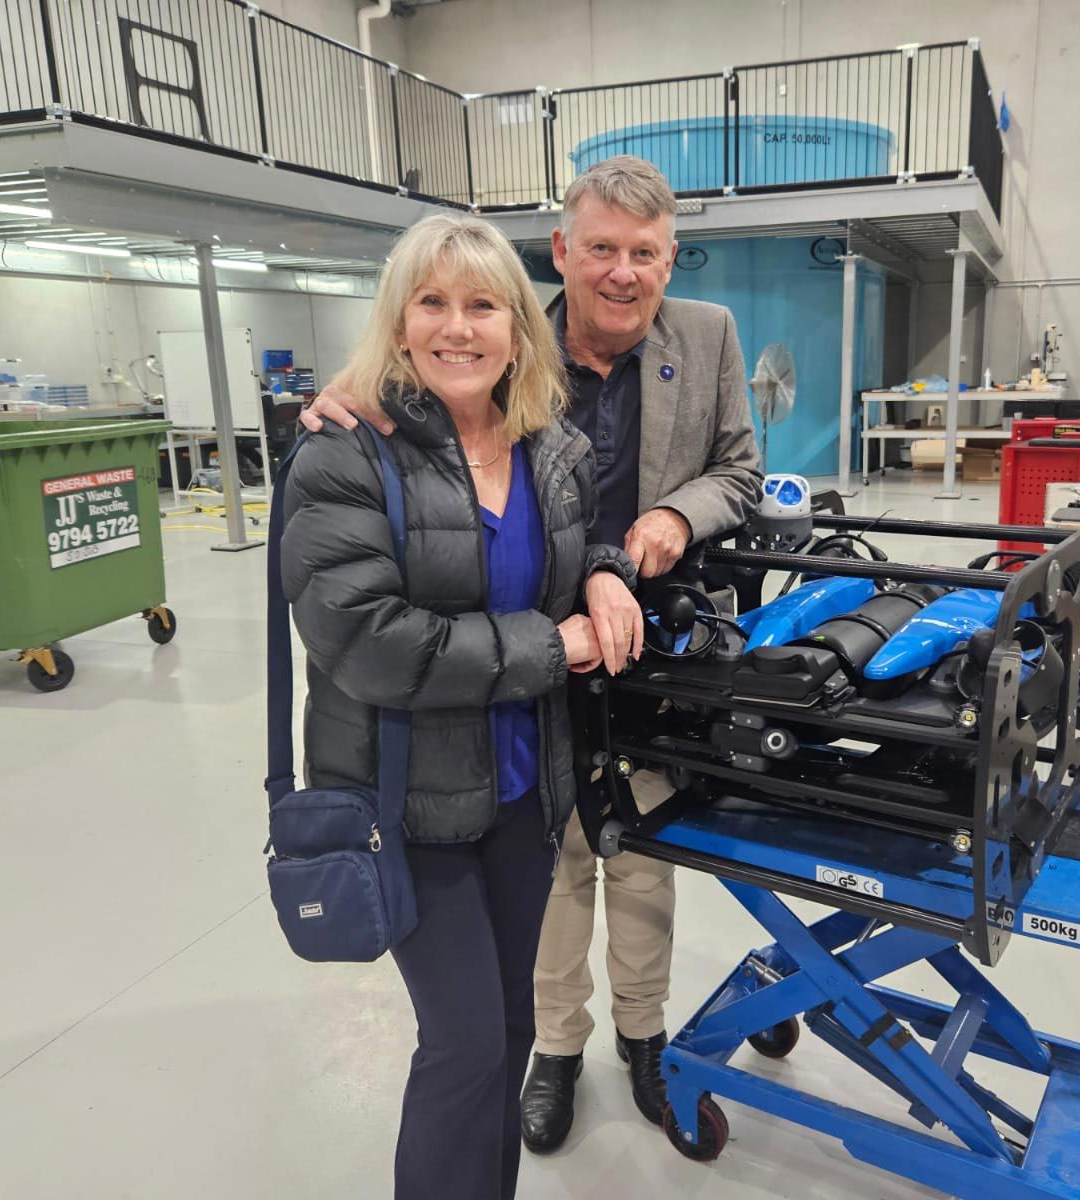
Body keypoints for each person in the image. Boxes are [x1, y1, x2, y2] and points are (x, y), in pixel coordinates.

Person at [302, 156, 761, 1153]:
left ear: (668, 258)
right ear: (561, 252)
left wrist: (671, 522)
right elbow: (417, 358)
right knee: (552, 865)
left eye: (644, 254)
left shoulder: (709, 337)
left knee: (640, 854)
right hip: (519, 657)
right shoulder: (506, 326)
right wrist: (348, 385)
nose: (622, 273)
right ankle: (551, 1046)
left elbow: (740, 469)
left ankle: (643, 1039)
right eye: (600, 248)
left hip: (643, 647)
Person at [279, 212, 644, 1199]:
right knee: (466, 1042)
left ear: (517, 326)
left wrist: (605, 574)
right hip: (407, 804)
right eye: (431, 304)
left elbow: (567, 553)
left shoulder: (549, 446)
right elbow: (363, 641)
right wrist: (552, 646)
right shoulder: (347, 452)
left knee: (515, 1030)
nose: (457, 327)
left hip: (524, 797)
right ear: (398, 325)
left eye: (482, 304)